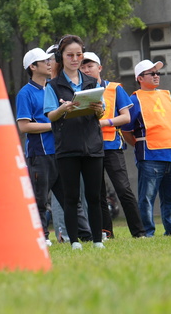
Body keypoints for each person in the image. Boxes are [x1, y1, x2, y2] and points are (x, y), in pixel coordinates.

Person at [43, 35, 106, 250]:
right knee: (71, 197)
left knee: (94, 196)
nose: (75, 59)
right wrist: (62, 109)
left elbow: (100, 112)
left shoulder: (92, 82)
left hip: (92, 145)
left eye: (79, 54)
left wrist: (99, 109)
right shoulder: (53, 85)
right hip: (67, 147)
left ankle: (97, 240)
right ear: (61, 56)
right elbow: (50, 115)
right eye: (70, 55)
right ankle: (75, 241)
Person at [79, 52, 144, 239]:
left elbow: (126, 117)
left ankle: (139, 232)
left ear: (99, 68)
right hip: (89, 147)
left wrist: (104, 123)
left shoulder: (115, 89)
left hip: (112, 145)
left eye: (90, 66)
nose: (86, 70)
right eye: (83, 67)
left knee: (123, 189)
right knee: (97, 193)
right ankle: (106, 232)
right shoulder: (79, 92)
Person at [123, 59, 171, 237]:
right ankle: (147, 232)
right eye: (152, 73)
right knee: (147, 198)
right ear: (140, 78)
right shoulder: (134, 99)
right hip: (149, 156)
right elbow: (126, 130)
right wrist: (139, 145)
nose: (157, 76)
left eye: (158, 73)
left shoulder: (167, 96)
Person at [17, 47, 64, 244]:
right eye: (44, 61)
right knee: (39, 200)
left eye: (49, 60)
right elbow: (24, 126)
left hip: (60, 151)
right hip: (39, 154)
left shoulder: (53, 89)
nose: (49, 63)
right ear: (33, 67)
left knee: (70, 199)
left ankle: (83, 235)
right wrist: (54, 125)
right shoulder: (25, 93)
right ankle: (41, 237)